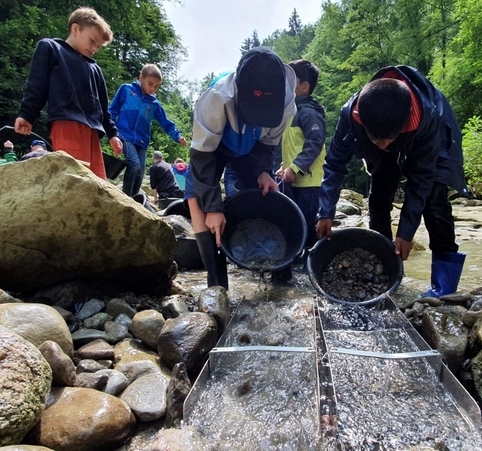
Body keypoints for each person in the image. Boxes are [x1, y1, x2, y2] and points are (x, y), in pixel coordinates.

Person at [316, 66, 468, 298]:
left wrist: (406, 233)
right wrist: (325, 212)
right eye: (375, 139)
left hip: (433, 143)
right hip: (392, 139)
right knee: (377, 200)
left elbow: (422, 178)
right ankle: (384, 267)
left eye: (388, 139)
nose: (383, 145)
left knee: (435, 203)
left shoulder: (428, 118)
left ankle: (444, 286)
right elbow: (335, 164)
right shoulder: (351, 114)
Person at [186, 46, 296, 289]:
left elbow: (268, 143)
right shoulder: (217, 97)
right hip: (212, 149)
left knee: (266, 194)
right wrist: (213, 208)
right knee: (198, 201)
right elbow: (202, 157)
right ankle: (217, 288)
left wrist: (265, 171)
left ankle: (280, 279)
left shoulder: (287, 101)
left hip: (250, 148)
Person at [14, 7, 123, 179]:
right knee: (74, 180)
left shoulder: (95, 69)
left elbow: (104, 109)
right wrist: (27, 114)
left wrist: (113, 134)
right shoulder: (51, 48)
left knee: (97, 183)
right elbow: (37, 85)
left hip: (93, 132)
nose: (94, 48)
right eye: (92, 41)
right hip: (67, 123)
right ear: (75, 29)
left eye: (98, 46)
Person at [272, 59, 326, 282]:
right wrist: (284, 167)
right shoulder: (291, 112)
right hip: (294, 179)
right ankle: (300, 259)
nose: (285, 86)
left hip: (309, 182)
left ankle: (316, 263)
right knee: (295, 221)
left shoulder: (309, 112)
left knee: (306, 223)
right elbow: (292, 147)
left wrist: (294, 168)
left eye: (290, 82)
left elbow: (314, 143)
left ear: (304, 86)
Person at [109, 63, 188, 198]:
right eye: (150, 84)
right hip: (125, 135)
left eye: (156, 86)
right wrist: (111, 132)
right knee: (134, 164)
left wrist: (177, 136)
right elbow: (112, 110)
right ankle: (125, 198)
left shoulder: (154, 103)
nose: (152, 89)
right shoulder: (127, 90)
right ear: (141, 77)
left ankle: (134, 199)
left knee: (140, 171)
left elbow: (165, 122)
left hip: (142, 141)